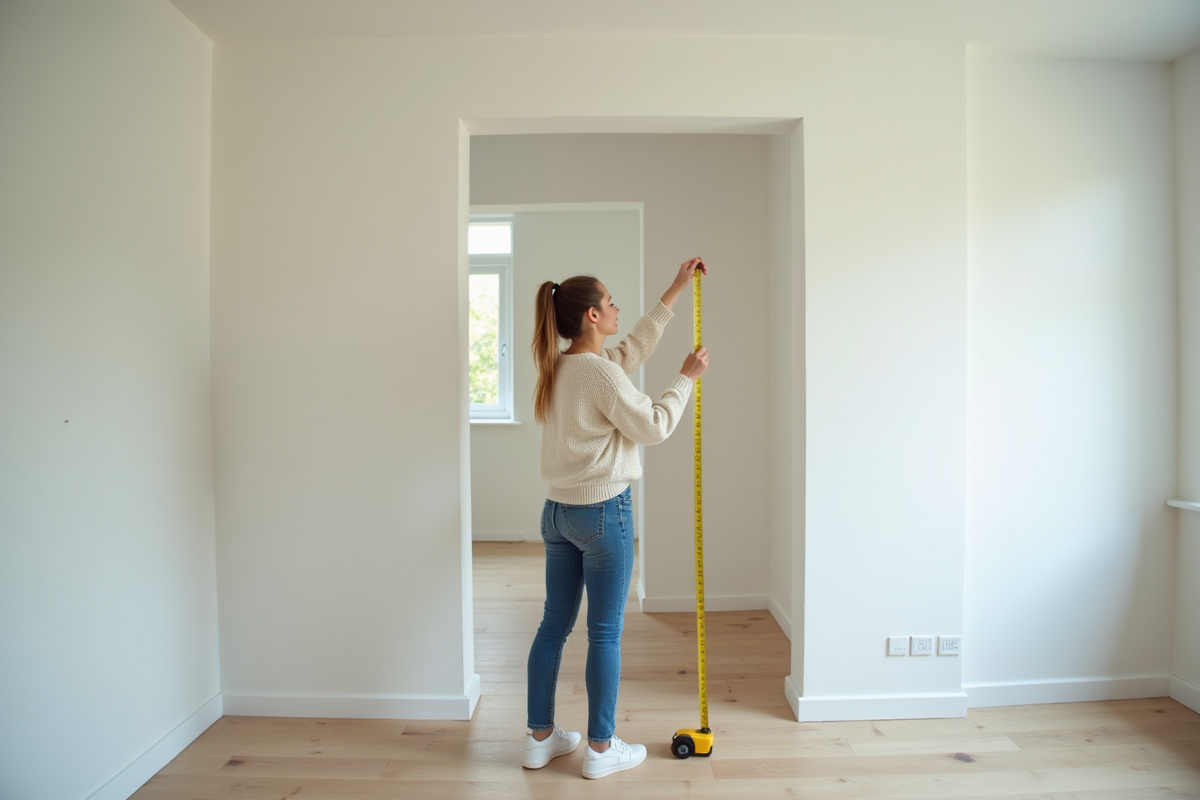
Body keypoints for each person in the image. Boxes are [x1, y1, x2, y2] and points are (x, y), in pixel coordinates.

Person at [522, 257, 710, 779]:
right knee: (604, 633)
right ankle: (600, 751)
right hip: (603, 514)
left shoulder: (558, 367)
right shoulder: (599, 374)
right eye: (610, 303)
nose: (617, 308)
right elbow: (652, 425)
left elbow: (629, 350)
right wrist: (684, 380)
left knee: (553, 625)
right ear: (590, 315)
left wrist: (674, 290)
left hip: (557, 514)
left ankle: (540, 739)